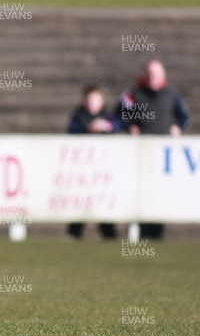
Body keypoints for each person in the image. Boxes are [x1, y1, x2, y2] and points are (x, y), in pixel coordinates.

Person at [118, 59, 190, 239]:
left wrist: (178, 128)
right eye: (150, 74)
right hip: (139, 155)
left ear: (163, 75)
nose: (153, 78)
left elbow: (184, 116)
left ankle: (156, 234)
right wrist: (130, 127)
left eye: (157, 74)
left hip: (162, 157)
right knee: (139, 191)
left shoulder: (171, 95)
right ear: (144, 75)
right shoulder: (133, 94)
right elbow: (119, 115)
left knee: (158, 193)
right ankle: (137, 232)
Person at [66, 84, 119, 240]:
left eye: (96, 100)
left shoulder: (107, 116)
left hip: (102, 172)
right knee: (79, 203)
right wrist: (88, 129)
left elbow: (117, 126)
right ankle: (74, 234)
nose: (92, 104)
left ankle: (109, 235)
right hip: (82, 171)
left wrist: (106, 127)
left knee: (104, 204)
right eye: (90, 101)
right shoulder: (79, 117)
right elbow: (72, 131)